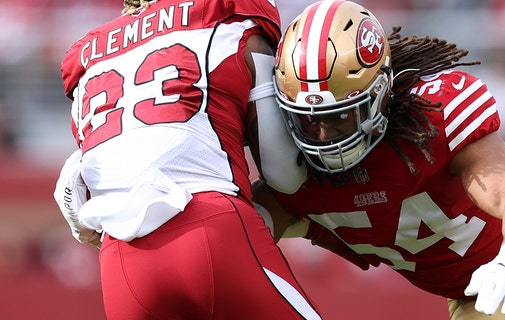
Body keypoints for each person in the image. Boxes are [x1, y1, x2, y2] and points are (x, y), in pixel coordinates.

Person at [252, 0, 505, 319]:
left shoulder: (431, 116)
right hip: (479, 297)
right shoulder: (293, 180)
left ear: (380, 94)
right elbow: (234, 243)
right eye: (307, 119)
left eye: (340, 117)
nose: (321, 136)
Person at [53, 0, 318, 319]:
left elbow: (77, 184)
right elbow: (284, 174)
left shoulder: (86, 55)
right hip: (210, 227)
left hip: (121, 261)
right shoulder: (229, 15)